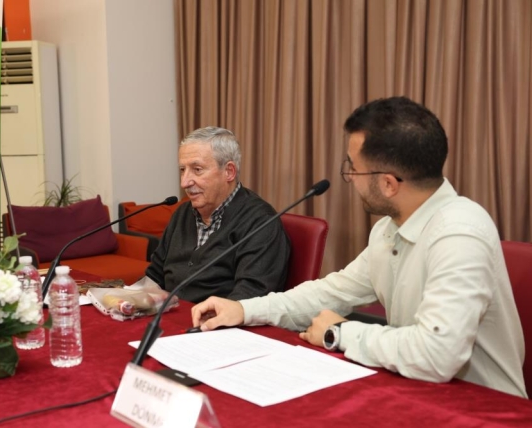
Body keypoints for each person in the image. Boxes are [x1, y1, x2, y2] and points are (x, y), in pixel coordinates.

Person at [191, 97, 528, 398]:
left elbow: (438, 354)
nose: (349, 177)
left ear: (388, 184)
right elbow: (328, 294)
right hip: (415, 390)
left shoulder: (460, 232)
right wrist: (244, 310)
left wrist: (339, 333)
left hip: (483, 407)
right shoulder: (388, 229)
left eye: (353, 167)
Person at [135, 126, 290, 303]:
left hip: (215, 319)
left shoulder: (260, 222)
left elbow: (249, 298)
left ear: (229, 172)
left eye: (197, 169)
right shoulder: (182, 213)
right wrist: (128, 298)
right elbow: (155, 275)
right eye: (182, 170)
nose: (185, 182)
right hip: (169, 313)